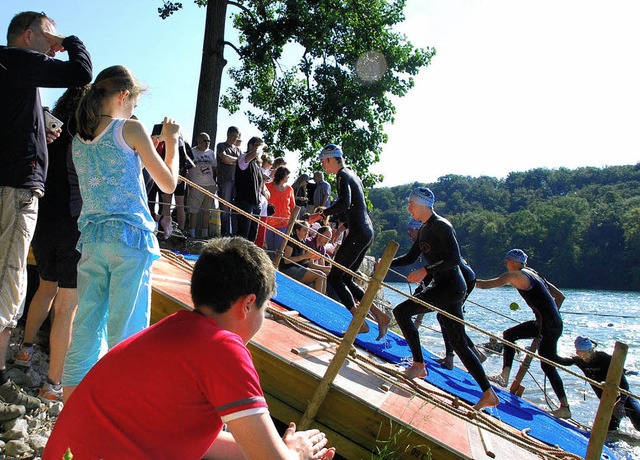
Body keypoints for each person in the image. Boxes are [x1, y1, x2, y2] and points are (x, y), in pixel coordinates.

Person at [43, 237, 336, 460]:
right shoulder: (223, 349)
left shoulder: (174, 328)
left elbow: (193, 437)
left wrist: (274, 446)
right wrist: (295, 453)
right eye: (265, 309)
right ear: (248, 304)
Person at [63, 65, 180, 400]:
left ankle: (71, 407)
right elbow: (168, 183)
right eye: (135, 104)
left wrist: (144, 148)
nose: (135, 112)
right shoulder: (131, 128)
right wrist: (170, 143)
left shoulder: (78, 141)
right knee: (126, 329)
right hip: (130, 240)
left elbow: (116, 173)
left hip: (94, 240)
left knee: (86, 326)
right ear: (124, 96)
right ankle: (123, 405)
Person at [0, 11, 92, 419]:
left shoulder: (17, 78)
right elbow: (80, 71)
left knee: (26, 281)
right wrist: (69, 41)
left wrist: (42, 128)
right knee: (14, 279)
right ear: (28, 34)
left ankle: (14, 355)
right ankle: (21, 378)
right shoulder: (17, 60)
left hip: (27, 199)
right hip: (24, 194)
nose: (52, 46)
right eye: (48, 37)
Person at [389, 187, 498, 410]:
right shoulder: (424, 229)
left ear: (421, 204)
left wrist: (426, 270)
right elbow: (410, 257)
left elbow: (454, 259)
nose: (408, 207)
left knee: (401, 312)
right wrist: (387, 262)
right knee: (459, 343)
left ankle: (419, 364)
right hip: (446, 288)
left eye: (411, 203)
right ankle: (489, 393)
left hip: (451, 288)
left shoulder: (442, 225)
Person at [14, 86, 88, 403]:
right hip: (72, 222)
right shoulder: (85, 135)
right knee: (67, 303)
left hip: (44, 219)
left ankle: (25, 352)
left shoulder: (48, 128)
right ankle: (53, 383)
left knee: (46, 288)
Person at [476, 248, 570, 418]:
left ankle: (565, 407)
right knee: (510, 334)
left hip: (546, 326)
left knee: (547, 365)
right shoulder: (534, 273)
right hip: (550, 324)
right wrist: (549, 316)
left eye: (507, 260)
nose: (505, 263)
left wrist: (467, 279)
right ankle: (504, 376)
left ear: (514, 262)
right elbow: (560, 297)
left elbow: (485, 285)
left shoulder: (516, 276)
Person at [308, 144, 390, 339]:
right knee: (346, 277)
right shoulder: (353, 175)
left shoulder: (342, 175)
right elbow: (355, 207)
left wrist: (321, 215)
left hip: (359, 233)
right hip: (365, 230)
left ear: (330, 159)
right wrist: (341, 225)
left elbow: (345, 203)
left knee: (335, 277)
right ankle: (379, 316)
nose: (322, 165)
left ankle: (360, 321)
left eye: (323, 161)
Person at [557, 336, 640, 431]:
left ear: (592, 349)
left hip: (623, 398)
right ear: (578, 353)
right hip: (607, 401)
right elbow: (559, 361)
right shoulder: (579, 360)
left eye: (590, 351)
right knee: (609, 432)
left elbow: (624, 384)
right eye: (583, 354)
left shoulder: (605, 359)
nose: (588, 356)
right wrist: (548, 346)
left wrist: (621, 403)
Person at [280, 221, 327, 294]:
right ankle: (317, 301)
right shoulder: (292, 240)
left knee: (323, 275)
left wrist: (310, 257)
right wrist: (304, 256)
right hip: (288, 269)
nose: (307, 232)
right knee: (320, 275)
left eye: (308, 230)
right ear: (297, 231)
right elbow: (286, 260)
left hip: (297, 267)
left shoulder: (303, 242)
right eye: (305, 230)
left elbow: (302, 261)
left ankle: (321, 300)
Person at [235, 136, 266, 242]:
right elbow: (253, 154)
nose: (260, 150)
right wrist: (261, 145)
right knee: (243, 234)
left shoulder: (257, 164)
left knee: (252, 236)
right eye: (257, 146)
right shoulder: (243, 158)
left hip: (256, 202)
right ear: (250, 146)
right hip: (244, 202)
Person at [186, 132, 217, 238]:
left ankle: (205, 234)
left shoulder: (211, 153)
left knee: (207, 210)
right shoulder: (191, 151)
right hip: (196, 184)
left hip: (210, 185)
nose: (207, 143)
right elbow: (187, 168)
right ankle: (192, 233)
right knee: (194, 210)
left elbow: (214, 168)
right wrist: (189, 183)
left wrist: (215, 183)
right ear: (198, 140)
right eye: (205, 140)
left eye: (208, 140)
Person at [216, 126, 242, 236]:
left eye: (237, 137)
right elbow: (225, 158)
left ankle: (235, 233)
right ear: (228, 134)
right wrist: (236, 160)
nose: (235, 139)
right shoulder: (221, 146)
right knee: (225, 207)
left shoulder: (238, 150)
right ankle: (225, 232)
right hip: (225, 180)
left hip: (236, 182)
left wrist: (233, 161)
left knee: (235, 208)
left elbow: (242, 163)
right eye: (233, 136)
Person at [265, 166, 296, 253]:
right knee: (270, 248)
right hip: (269, 223)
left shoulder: (289, 189)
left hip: (284, 224)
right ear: (281, 176)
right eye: (287, 175)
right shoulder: (267, 186)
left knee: (279, 249)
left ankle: (276, 266)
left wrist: (292, 222)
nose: (288, 177)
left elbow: (293, 207)